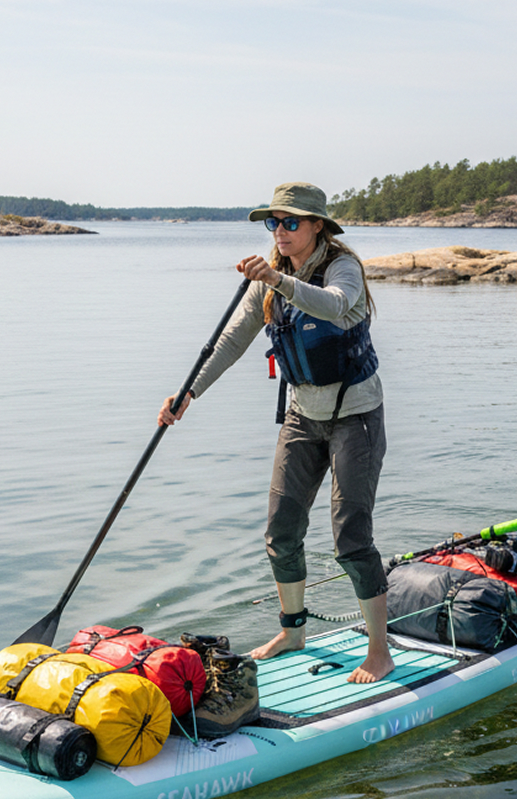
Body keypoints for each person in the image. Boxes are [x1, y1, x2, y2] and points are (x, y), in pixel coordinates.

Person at [158, 181, 394, 684]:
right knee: (281, 531)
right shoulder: (268, 279)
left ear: (317, 227)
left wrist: (277, 280)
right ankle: (293, 629)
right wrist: (188, 393)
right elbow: (232, 341)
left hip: (356, 416)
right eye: (274, 223)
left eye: (291, 222)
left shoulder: (342, 267)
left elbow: (333, 305)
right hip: (301, 417)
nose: (280, 231)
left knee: (351, 537)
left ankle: (379, 650)